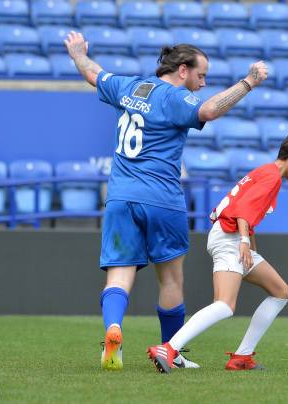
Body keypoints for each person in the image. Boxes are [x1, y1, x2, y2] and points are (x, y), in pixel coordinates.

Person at [63, 32, 268, 371]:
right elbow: (210, 110)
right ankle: (171, 351)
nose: (202, 83)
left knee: (118, 275)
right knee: (171, 279)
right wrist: (248, 82)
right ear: (183, 70)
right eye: (201, 75)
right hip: (161, 199)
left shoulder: (128, 87)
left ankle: (113, 329)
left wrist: (77, 53)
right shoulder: (175, 98)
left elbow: (91, 73)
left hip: (119, 198)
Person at [147, 131, 288, 373]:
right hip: (229, 238)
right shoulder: (271, 177)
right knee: (224, 305)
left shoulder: (267, 173)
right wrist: (243, 240)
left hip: (232, 237)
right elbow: (243, 211)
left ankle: (242, 357)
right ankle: (168, 349)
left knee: (280, 291)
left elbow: (247, 210)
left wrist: (250, 244)